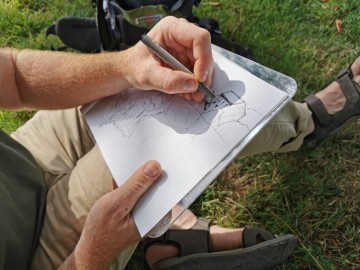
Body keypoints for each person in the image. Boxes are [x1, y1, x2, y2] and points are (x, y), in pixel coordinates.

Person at [0, 15, 359, 269]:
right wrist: (94, 252)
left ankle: (168, 232)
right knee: (163, 137)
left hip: (21, 157)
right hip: (34, 252)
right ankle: (310, 122)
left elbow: (13, 76)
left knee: (138, 91)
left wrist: (126, 67)